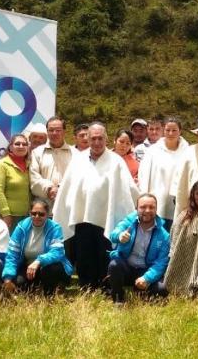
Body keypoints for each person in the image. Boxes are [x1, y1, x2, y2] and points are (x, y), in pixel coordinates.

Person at [53, 123, 140, 288]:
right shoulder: (78, 159)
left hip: (107, 216)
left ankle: (105, 287)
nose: (97, 142)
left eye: (100, 138)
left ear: (106, 139)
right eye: (93, 138)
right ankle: (87, 287)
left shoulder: (116, 161)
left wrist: (139, 201)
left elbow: (128, 187)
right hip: (82, 217)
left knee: (104, 254)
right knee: (84, 254)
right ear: (88, 139)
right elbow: (68, 186)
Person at [107, 193, 170, 306]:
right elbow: (113, 234)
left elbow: (161, 262)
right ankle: (118, 299)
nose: (147, 210)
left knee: (162, 289)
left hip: (145, 270)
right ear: (136, 209)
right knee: (114, 265)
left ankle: (140, 291)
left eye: (151, 207)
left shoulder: (164, 235)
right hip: (127, 268)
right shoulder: (129, 222)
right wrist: (119, 236)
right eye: (143, 207)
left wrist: (147, 278)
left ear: (156, 209)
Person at [2, 198, 73, 296]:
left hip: (50, 267)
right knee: (19, 283)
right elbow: (12, 254)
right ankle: (35, 290)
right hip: (29, 268)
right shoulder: (21, 227)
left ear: (48, 215)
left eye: (41, 214)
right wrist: (8, 277)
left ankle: (49, 296)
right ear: (29, 213)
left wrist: (38, 261)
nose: (37, 216)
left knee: (50, 270)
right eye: (34, 213)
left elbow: (57, 252)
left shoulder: (55, 228)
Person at [138, 117, 190, 231]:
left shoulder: (188, 152)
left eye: (174, 130)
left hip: (179, 204)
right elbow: (144, 177)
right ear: (163, 130)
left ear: (180, 131)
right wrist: (144, 200)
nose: (170, 133)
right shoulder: (153, 151)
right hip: (157, 204)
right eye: (167, 130)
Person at [30, 116, 76, 207]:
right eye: (51, 130)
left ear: (64, 132)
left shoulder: (75, 153)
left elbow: (77, 178)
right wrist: (49, 189)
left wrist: (60, 189)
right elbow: (34, 179)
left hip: (67, 206)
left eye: (58, 130)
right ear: (47, 132)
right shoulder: (37, 153)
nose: (54, 133)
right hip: (43, 209)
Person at [0, 133, 31, 231]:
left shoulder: (30, 165)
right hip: (8, 217)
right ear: (10, 147)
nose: (21, 146)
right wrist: (5, 213)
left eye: (24, 144)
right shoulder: (2, 164)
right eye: (17, 144)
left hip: (28, 216)